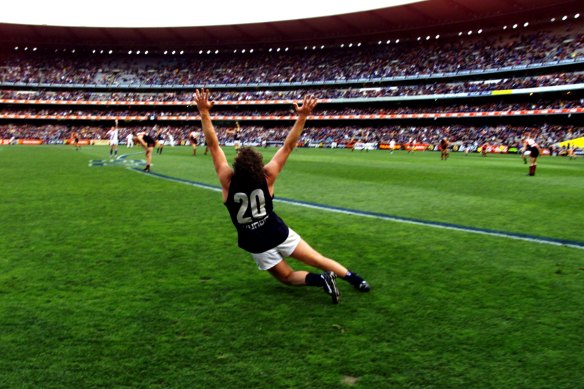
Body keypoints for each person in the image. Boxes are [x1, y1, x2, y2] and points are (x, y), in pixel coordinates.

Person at [194, 89, 370, 304]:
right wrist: (303, 115)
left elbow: (213, 146)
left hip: (255, 241)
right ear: (259, 166)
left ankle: (321, 280)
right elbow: (288, 146)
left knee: (287, 276)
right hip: (277, 231)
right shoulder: (267, 177)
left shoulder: (228, 182)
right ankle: (356, 279)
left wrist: (204, 112)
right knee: (317, 258)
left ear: (236, 168)